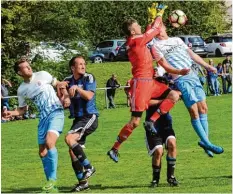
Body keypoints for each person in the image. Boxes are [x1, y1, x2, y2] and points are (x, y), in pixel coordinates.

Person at [107, 4, 190, 163]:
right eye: (136, 25)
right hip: (142, 83)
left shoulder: (137, 39)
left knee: (174, 95)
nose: (139, 26)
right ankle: (114, 148)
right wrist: (159, 14)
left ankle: (150, 121)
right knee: (134, 121)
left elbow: (150, 31)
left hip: (150, 81)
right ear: (132, 31)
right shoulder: (135, 40)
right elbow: (155, 30)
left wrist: (152, 19)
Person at [149, 22, 224, 156]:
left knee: (203, 109)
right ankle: (207, 143)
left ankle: (206, 143)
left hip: (193, 76)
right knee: (194, 112)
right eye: (155, 28)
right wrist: (179, 71)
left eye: (160, 26)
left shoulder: (177, 40)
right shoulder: (156, 46)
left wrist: (208, 66)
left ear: (165, 27)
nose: (158, 29)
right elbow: (164, 66)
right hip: (180, 79)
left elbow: (192, 54)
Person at [3, 57, 64, 193]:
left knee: (50, 142)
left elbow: (59, 84)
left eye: (28, 65)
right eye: (24, 67)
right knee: (42, 152)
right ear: (19, 73)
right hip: (43, 118)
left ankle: (52, 180)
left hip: (55, 112)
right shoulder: (21, 90)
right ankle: (52, 187)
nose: (28, 67)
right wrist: (11, 113)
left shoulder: (43, 74)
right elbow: (22, 109)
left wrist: (64, 95)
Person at [57, 55, 99, 192]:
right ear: (72, 67)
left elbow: (89, 96)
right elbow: (62, 98)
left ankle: (89, 167)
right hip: (78, 119)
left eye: (84, 64)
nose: (82, 66)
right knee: (72, 150)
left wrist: (77, 89)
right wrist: (63, 93)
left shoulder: (89, 77)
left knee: (69, 138)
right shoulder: (67, 80)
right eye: (79, 64)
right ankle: (82, 182)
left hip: (89, 117)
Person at [145, 67, 179, 187]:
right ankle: (155, 179)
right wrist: (162, 101)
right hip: (152, 125)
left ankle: (171, 177)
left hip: (165, 123)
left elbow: (176, 95)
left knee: (172, 144)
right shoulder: (145, 88)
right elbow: (145, 103)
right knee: (158, 152)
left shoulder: (165, 87)